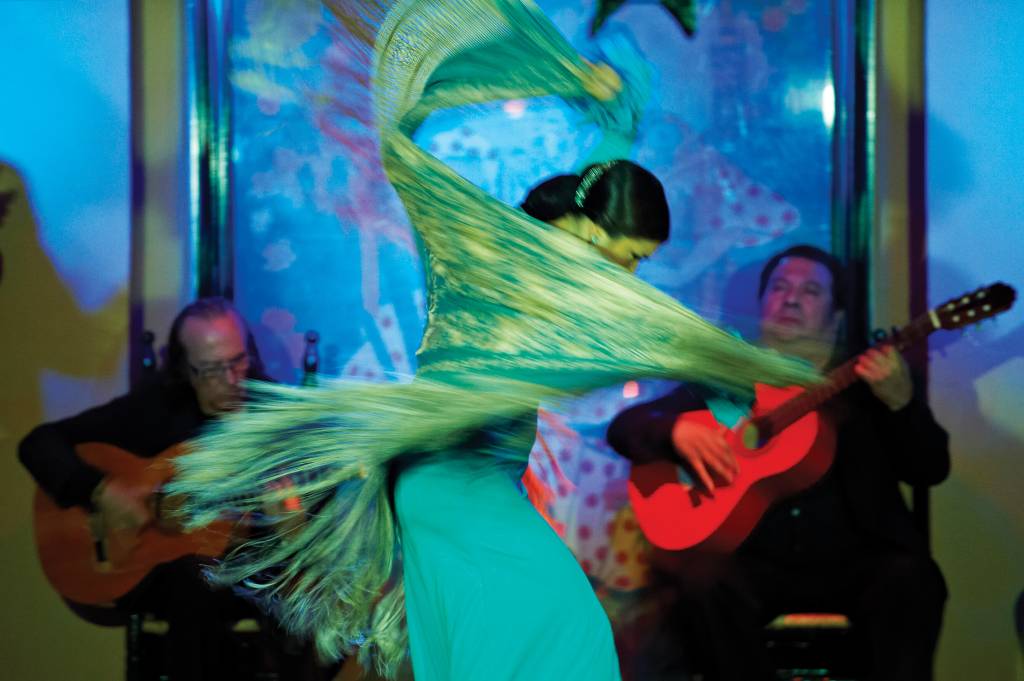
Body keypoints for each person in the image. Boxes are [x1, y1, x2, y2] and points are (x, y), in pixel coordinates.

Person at [165, 2, 816, 680]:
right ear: (593, 234)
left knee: (505, 650)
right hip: (453, 483)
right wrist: (732, 366)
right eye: (631, 256)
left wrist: (607, 108)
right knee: (566, 632)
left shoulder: (563, 264)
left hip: (466, 483)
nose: (631, 275)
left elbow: (604, 180)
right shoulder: (494, 265)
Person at [607, 244, 950, 681]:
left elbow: (930, 469)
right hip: (750, 561)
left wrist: (902, 404)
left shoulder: (875, 380)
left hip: (857, 561)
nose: (790, 298)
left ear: (837, 314)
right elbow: (628, 427)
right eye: (780, 287)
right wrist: (673, 431)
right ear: (762, 301)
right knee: (700, 583)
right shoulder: (728, 375)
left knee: (913, 580)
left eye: (810, 291)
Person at [19, 297, 325, 681]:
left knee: (298, 598)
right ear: (185, 369)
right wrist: (98, 490)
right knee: (194, 576)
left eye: (238, 362)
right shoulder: (158, 408)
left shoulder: (276, 417)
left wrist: (294, 528)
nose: (232, 382)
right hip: (156, 578)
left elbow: (311, 533)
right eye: (212, 371)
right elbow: (38, 444)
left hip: (251, 581)